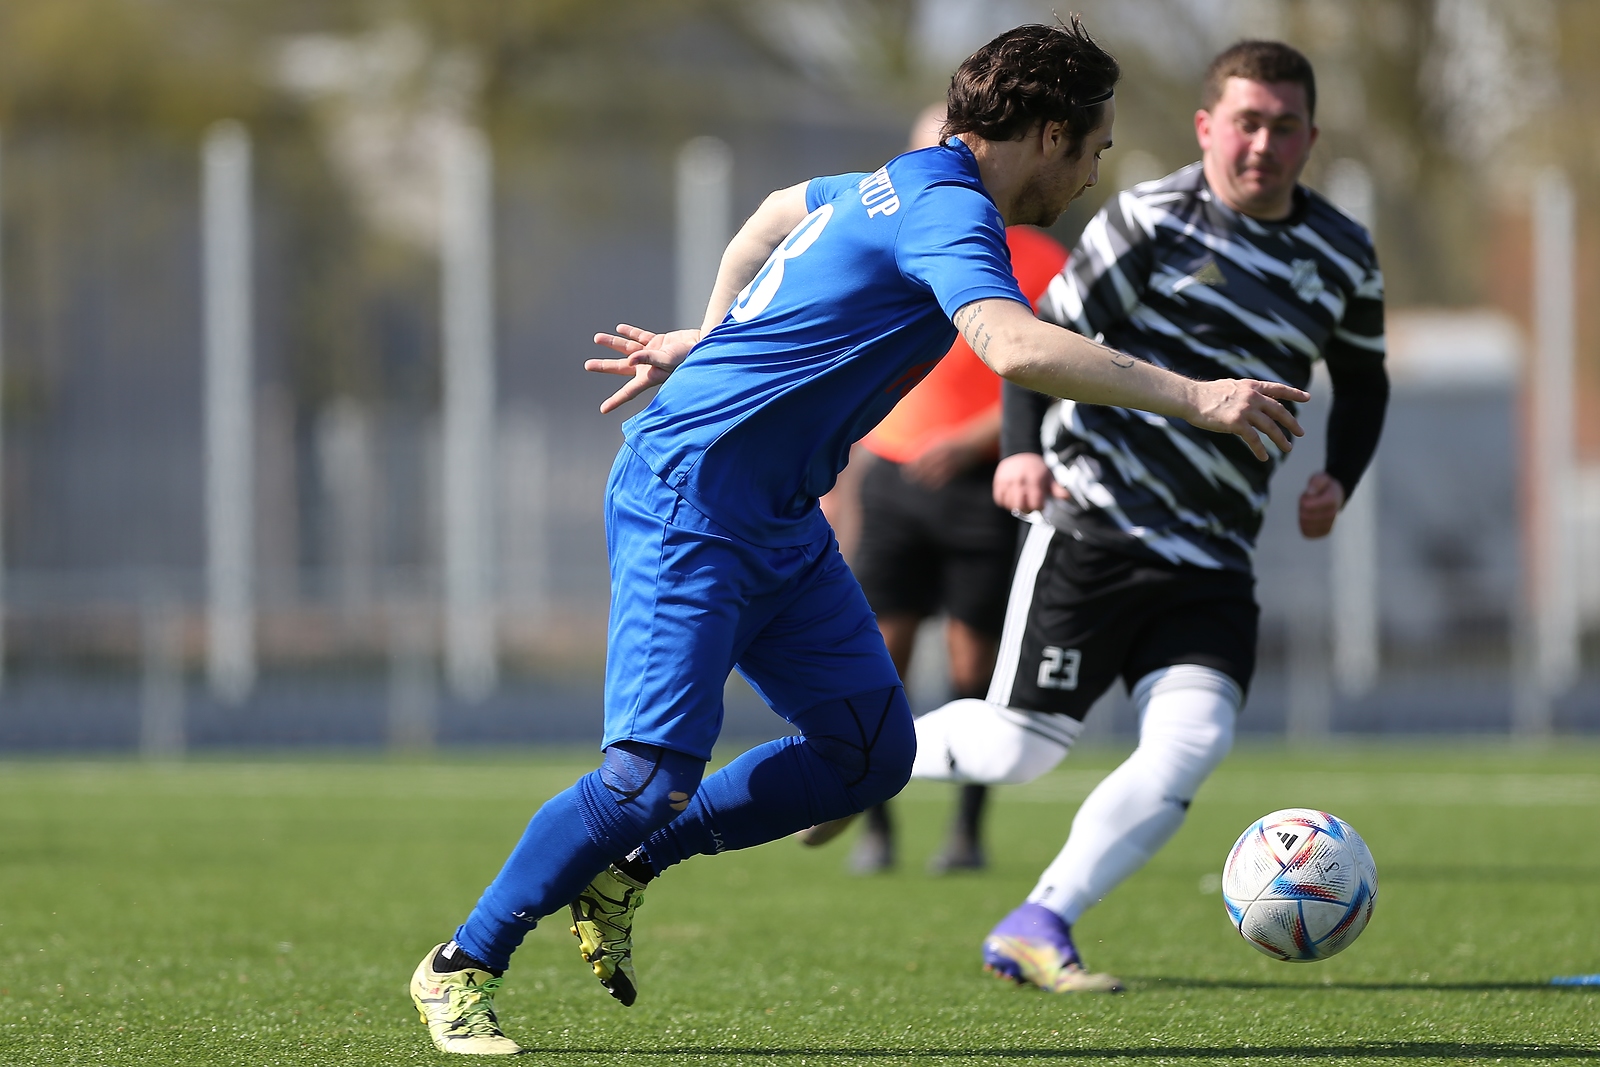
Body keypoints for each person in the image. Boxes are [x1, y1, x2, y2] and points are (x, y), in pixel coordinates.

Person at [409, 21, 1309, 1054]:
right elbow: (1010, 345)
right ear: (1050, 133)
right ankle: (459, 965)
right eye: (1094, 147)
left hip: (777, 517)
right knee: (642, 778)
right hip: (688, 500)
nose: (1093, 173)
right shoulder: (950, 211)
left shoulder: (895, 181)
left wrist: (716, 339)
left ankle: (628, 869)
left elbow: (764, 220)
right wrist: (1200, 395)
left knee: (869, 755)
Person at [907, 40, 1389, 993]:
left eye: (1284, 127)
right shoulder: (1149, 219)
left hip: (1213, 551)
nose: (1264, 144)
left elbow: (1366, 378)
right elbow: (1043, 335)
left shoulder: (1342, 249)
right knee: (1016, 749)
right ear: (1210, 127)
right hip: (1096, 526)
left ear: (1309, 137)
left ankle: (1040, 921)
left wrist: (1341, 471)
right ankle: (850, 753)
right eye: (1246, 123)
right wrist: (1020, 449)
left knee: (1193, 741)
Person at [807, 105, 1069, 875]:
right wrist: (833, 464)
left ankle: (965, 829)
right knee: (874, 655)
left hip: (980, 488)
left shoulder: (1036, 256)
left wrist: (973, 439)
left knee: (971, 664)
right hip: (890, 478)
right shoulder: (884, 236)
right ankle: (874, 826)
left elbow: (1049, 373)